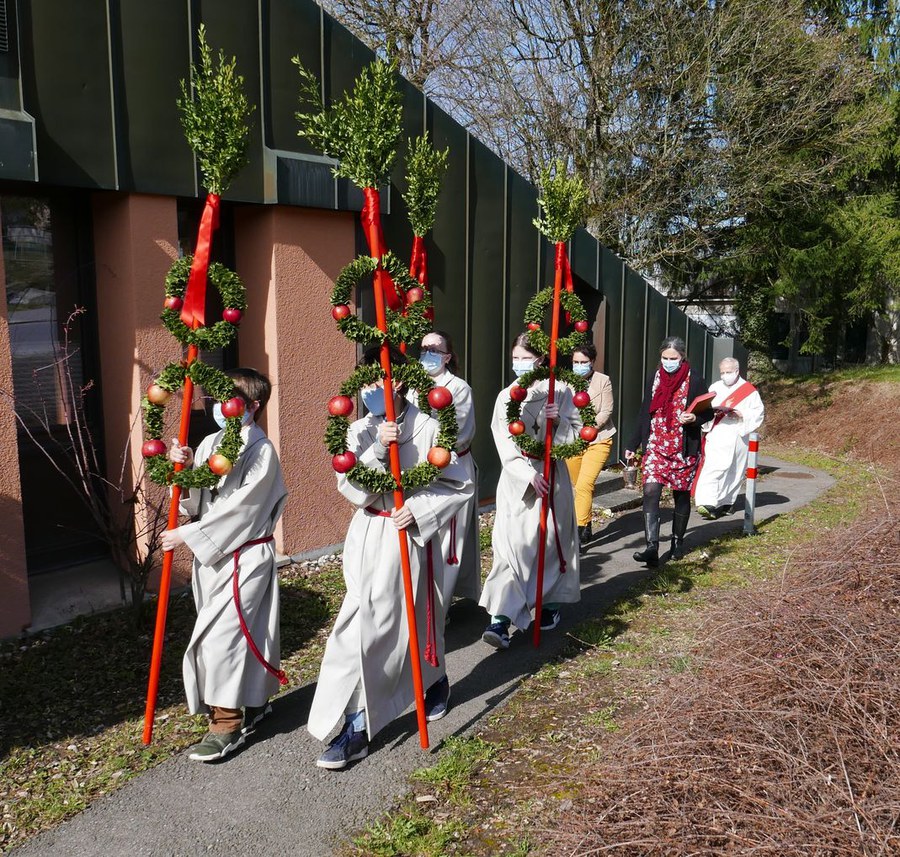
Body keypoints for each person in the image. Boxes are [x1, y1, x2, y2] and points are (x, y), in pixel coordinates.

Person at [309, 346, 473, 770]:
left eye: (375, 382)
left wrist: (419, 510)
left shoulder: (431, 429)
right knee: (373, 622)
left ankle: (360, 725)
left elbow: (460, 483)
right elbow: (349, 485)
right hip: (368, 533)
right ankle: (430, 681)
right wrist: (379, 451)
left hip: (408, 536)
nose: (368, 392)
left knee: (381, 626)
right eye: (361, 384)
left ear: (397, 382)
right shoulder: (357, 430)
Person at [163, 368, 288, 762]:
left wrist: (187, 536)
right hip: (212, 560)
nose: (219, 407)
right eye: (215, 399)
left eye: (228, 400)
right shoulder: (210, 443)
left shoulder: (261, 452)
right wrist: (182, 470)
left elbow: (244, 510)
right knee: (243, 636)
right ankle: (256, 701)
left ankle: (226, 724)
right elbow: (195, 501)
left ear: (252, 406)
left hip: (245, 555)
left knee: (223, 638)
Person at [479, 334, 582, 649]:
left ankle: (549, 606)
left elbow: (578, 435)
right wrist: (526, 474)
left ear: (540, 359)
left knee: (551, 545)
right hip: (517, 480)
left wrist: (559, 422)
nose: (520, 364)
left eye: (526, 357)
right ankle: (501, 620)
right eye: (516, 357)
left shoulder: (561, 390)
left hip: (553, 477)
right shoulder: (506, 396)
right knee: (510, 548)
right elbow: (504, 442)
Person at [624, 337, 712, 565]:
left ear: (682, 357)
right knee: (650, 491)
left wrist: (694, 418)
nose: (668, 362)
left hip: (683, 448)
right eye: (664, 358)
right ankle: (652, 546)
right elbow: (645, 410)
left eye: (673, 358)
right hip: (656, 445)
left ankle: (677, 543)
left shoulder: (695, 380)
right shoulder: (654, 378)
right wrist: (632, 444)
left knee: (680, 495)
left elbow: (708, 413)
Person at [412, 330, 481, 610]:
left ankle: (438, 610)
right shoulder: (413, 386)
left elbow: (457, 434)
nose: (427, 354)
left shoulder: (458, 388)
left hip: (450, 469)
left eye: (435, 349)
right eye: (424, 348)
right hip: (417, 470)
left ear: (447, 357)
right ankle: (420, 601)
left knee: (447, 542)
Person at [693, 357, 765, 519]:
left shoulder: (749, 390)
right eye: (722, 372)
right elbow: (706, 407)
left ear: (737, 371)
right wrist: (713, 413)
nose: (725, 375)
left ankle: (726, 502)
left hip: (739, 432)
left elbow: (758, 412)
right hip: (719, 432)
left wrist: (741, 413)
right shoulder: (715, 387)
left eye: (728, 372)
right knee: (714, 466)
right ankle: (706, 502)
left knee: (736, 470)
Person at [565, 343, 615, 545]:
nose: (579, 366)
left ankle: (577, 534)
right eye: (576, 362)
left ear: (592, 362)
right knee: (576, 487)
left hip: (598, 439)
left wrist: (589, 427)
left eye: (583, 362)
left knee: (585, 484)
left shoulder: (603, 381)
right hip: (571, 440)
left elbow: (606, 410)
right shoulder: (564, 382)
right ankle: (586, 523)